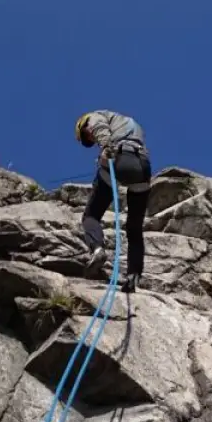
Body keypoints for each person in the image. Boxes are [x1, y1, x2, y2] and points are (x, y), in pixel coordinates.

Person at [74, 110, 153, 293]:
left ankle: (97, 249)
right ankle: (134, 274)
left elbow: (99, 129)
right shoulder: (132, 124)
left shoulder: (93, 117)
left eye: (87, 137)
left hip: (119, 159)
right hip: (142, 166)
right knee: (134, 228)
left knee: (91, 215)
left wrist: (106, 148)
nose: (90, 140)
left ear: (82, 126)